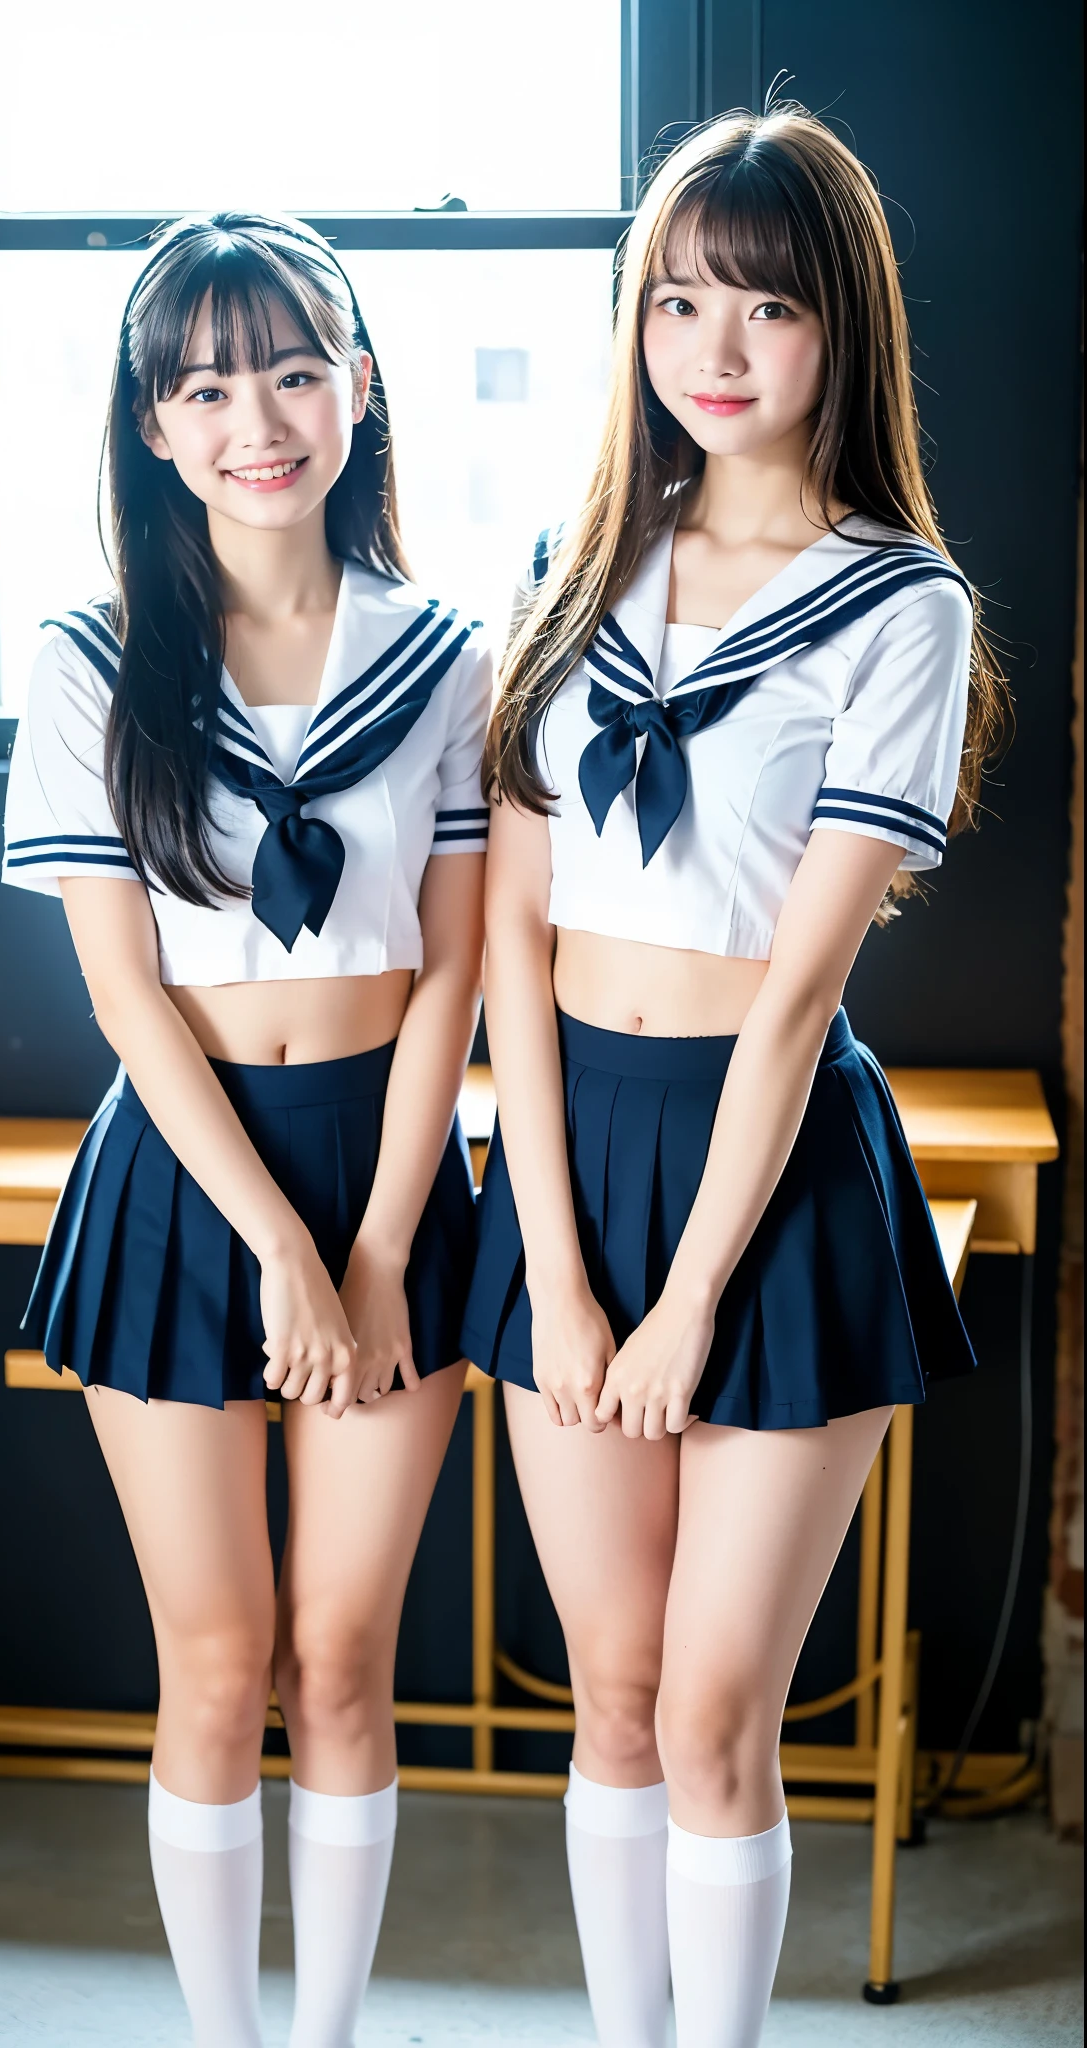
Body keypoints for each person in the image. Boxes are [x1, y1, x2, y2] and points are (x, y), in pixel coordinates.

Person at [462, 106, 1001, 2048]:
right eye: (673, 299)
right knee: (606, 1692)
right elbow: (509, 936)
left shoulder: (898, 607)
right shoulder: (574, 556)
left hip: (769, 1179)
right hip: (564, 1143)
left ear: (835, 329)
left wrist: (678, 1297)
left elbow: (793, 1000)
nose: (709, 344)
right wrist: (554, 1250)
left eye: (759, 307)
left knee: (711, 1712)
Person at [1, 212, 489, 2048]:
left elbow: (451, 974)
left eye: (292, 369)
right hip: (181, 1176)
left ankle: (331, 2036)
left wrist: (368, 1239)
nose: (254, 417)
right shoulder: (88, 660)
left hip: (390, 1162)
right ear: (151, 424)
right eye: (204, 384)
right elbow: (125, 996)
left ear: (358, 387)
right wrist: (281, 1244)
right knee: (215, 1668)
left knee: (347, 1662)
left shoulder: (442, 653)